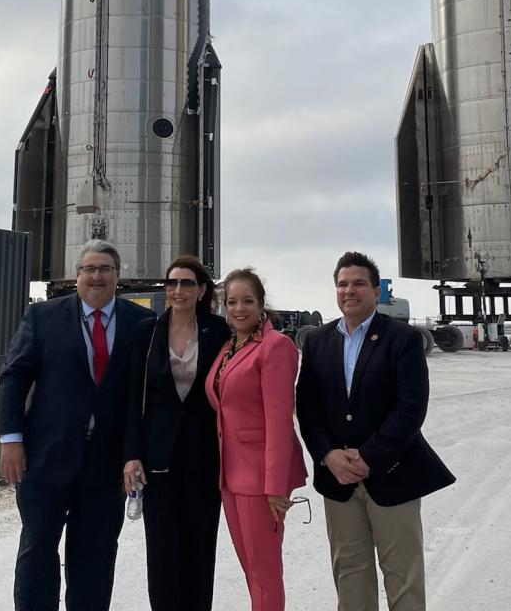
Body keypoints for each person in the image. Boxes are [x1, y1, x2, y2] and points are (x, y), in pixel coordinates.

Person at [0, 239, 154, 611]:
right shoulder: (43, 317)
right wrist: (10, 439)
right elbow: (14, 378)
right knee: (37, 550)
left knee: (95, 557)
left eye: (104, 269)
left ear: (118, 276)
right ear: (76, 276)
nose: (96, 276)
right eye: (89, 269)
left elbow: (143, 396)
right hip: (44, 458)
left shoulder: (142, 324)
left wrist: (134, 455)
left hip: (105, 463)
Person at [296, 252, 455, 611]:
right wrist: (327, 455)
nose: (349, 290)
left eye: (358, 283)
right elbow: (307, 408)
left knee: (402, 575)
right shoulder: (319, 342)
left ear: (375, 290)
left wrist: (370, 457)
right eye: (342, 284)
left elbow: (410, 408)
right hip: (338, 480)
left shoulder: (402, 339)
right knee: (350, 573)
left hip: (391, 474)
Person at [122, 256, 230, 611]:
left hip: (206, 455)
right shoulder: (147, 332)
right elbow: (132, 397)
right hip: (158, 457)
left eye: (186, 283)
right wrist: (131, 454)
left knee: (200, 549)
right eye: (172, 283)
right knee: (162, 550)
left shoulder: (221, 332)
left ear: (201, 290)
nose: (177, 290)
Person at [204, 268, 309, 611]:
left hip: (260, 478)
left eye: (247, 301)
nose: (238, 309)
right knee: (250, 568)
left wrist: (275, 485)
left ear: (261, 304)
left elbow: (280, 421)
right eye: (231, 302)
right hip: (231, 473)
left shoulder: (275, 347)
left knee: (264, 572)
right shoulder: (229, 346)